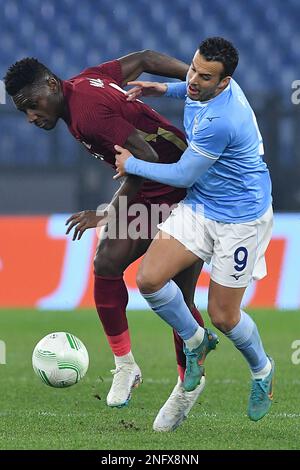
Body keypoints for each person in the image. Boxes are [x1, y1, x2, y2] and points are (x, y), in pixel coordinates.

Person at [4, 50, 212, 431]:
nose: (32, 117)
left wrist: (105, 213)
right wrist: (195, 78)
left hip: (182, 187)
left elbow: (145, 154)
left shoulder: (86, 113)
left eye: (32, 105)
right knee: (106, 263)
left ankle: (188, 383)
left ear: (51, 85)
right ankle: (126, 366)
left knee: (180, 297)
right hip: (154, 184)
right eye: (23, 112)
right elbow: (146, 58)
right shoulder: (85, 81)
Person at [115, 37, 275, 422]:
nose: (193, 80)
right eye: (192, 68)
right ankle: (196, 341)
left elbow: (184, 173)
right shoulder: (200, 87)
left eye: (204, 77)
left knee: (224, 315)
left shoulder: (223, 118)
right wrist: (161, 87)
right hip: (203, 206)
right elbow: (188, 90)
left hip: (241, 218)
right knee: (149, 279)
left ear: (225, 83)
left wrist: (132, 165)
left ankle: (262, 370)